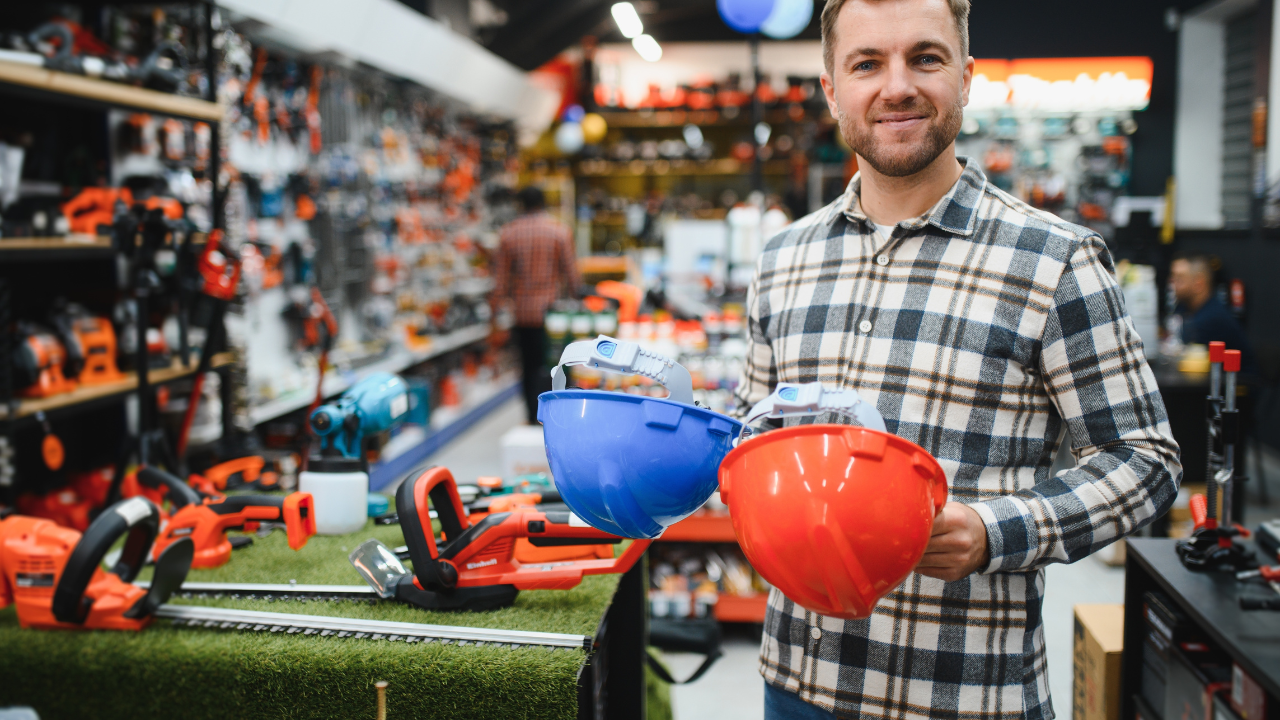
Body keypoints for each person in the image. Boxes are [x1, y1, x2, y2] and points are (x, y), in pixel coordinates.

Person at [735, 1, 1182, 718]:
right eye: (867, 64)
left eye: (926, 57)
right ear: (831, 89)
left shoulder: (1054, 259)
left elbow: (1146, 459)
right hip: (800, 681)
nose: (897, 86)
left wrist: (994, 530)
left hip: (968, 694)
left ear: (967, 78)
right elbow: (753, 439)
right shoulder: (784, 259)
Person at [492, 187, 582, 423]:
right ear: (544, 203)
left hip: (522, 314)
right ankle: (556, 416)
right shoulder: (559, 231)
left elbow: (500, 282)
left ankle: (532, 417)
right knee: (556, 365)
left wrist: (493, 316)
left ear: (521, 205)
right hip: (553, 315)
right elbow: (573, 277)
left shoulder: (508, 234)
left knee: (528, 367)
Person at [1170, 253, 1253, 370]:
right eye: (1173, 277)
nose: (1173, 283)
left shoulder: (1213, 318)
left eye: (1180, 278)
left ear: (1198, 284)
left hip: (1239, 384)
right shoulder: (1184, 308)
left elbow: (1185, 357)